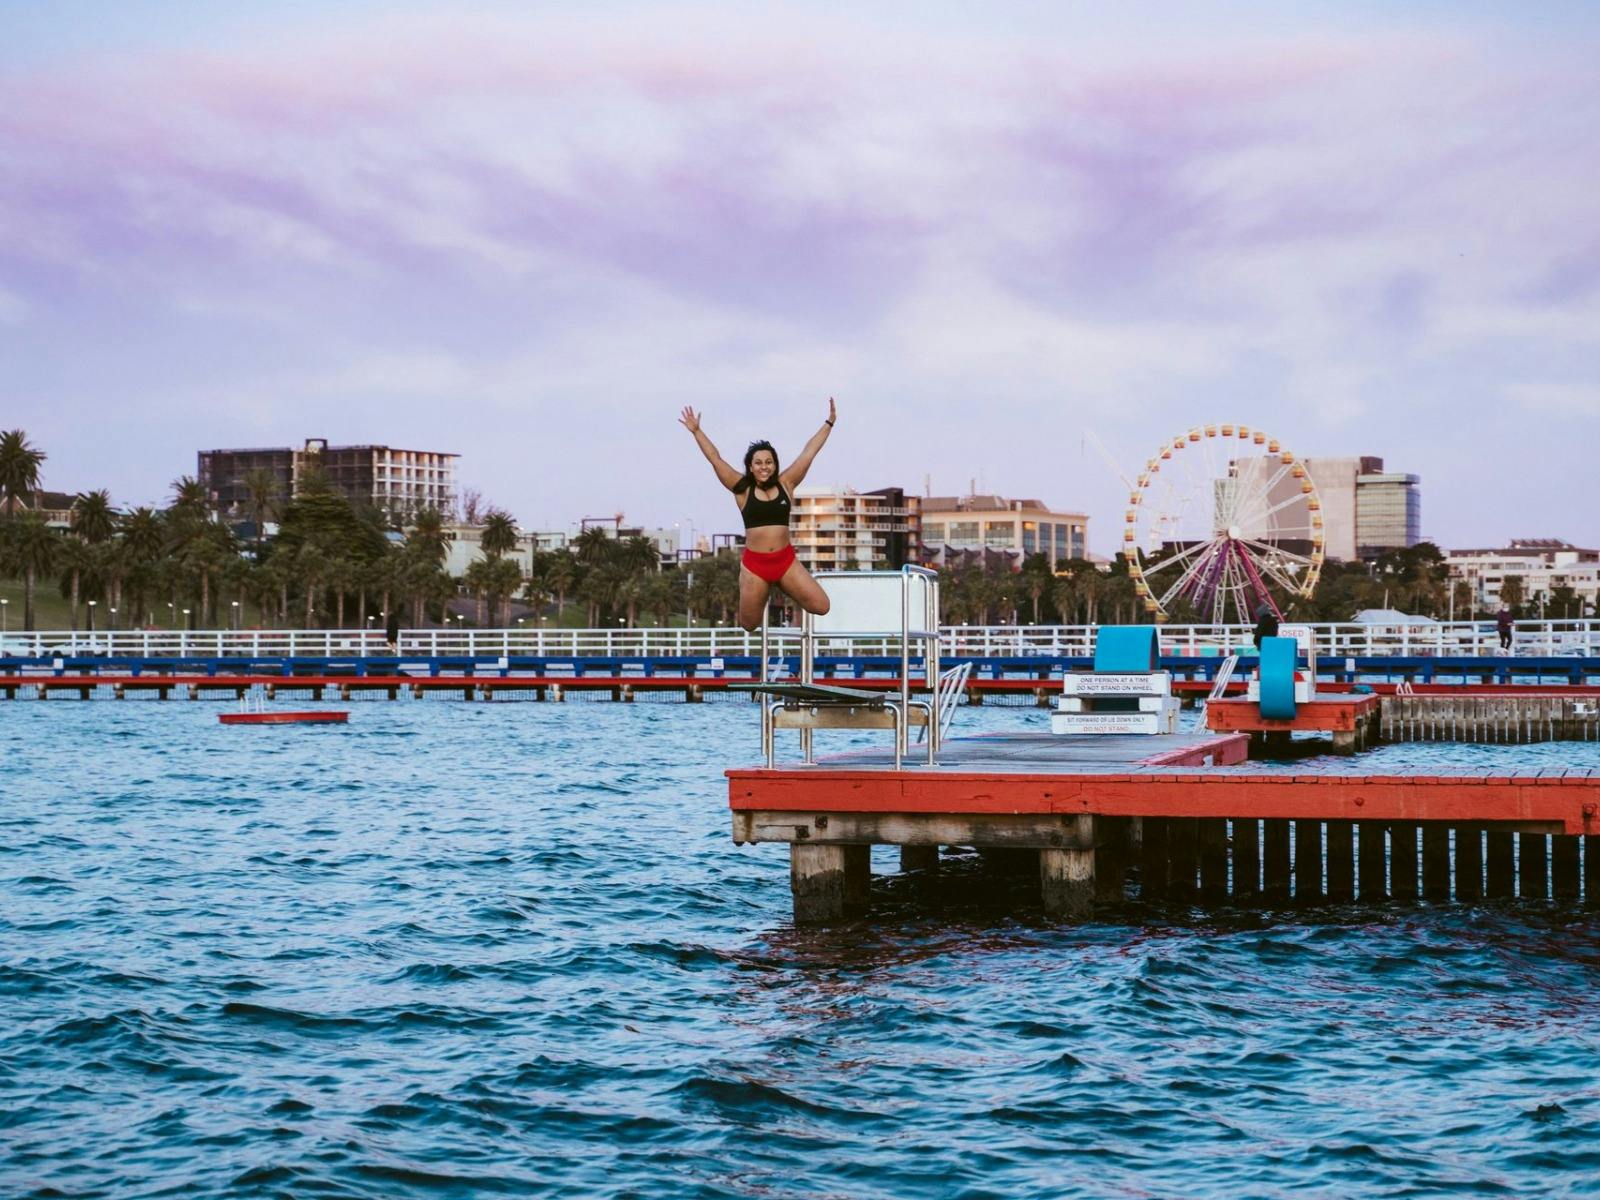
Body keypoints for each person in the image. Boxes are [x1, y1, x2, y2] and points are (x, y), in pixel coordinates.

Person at [681, 399, 836, 631]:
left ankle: (783, 585)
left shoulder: (786, 483)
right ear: (751, 467)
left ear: (774, 464)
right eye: (759, 463)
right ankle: (756, 585)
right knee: (749, 624)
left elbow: (808, 453)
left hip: (785, 561)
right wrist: (697, 431)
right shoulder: (742, 488)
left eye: (769, 462)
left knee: (822, 606)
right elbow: (715, 458)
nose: (764, 467)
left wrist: (829, 423)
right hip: (756, 566)